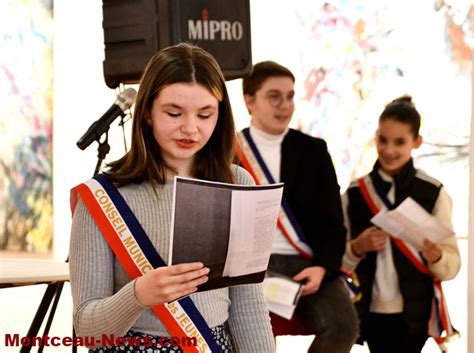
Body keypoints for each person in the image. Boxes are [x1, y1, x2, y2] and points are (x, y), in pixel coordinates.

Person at [69, 43, 275, 353]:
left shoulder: (238, 183)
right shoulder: (101, 197)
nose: (190, 128)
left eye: (205, 114)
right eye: (173, 113)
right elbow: (87, 331)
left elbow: (249, 306)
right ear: (148, 112)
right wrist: (138, 294)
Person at [237, 60, 358, 353]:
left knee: (344, 325)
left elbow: (333, 222)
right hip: (247, 266)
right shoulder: (228, 149)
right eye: (274, 96)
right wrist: (244, 270)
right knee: (246, 335)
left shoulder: (314, 151)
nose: (285, 105)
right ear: (249, 100)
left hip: (306, 263)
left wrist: (321, 268)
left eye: (290, 96)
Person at [342, 96, 461, 353]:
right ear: (375, 136)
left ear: (417, 142)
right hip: (369, 310)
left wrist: (437, 257)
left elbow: (451, 266)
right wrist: (357, 247)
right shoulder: (355, 193)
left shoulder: (433, 192)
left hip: (415, 314)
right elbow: (338, 261)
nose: (388, 150)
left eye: (399, 142)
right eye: (383, 140)